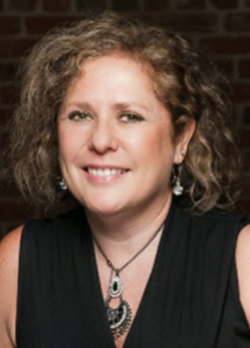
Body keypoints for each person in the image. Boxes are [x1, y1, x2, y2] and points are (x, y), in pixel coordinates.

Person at [0, 11, 250, 348]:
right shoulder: (17, 262)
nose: (101, 141)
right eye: (80, 115)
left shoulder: (242, 256)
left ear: (181, 139)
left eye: (129, 116)